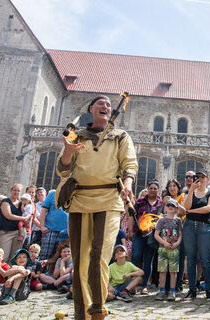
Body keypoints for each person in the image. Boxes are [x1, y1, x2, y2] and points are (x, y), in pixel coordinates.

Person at [56, 95, 138, 320]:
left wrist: (128, 183)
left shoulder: (120, 136)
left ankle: (98, 309)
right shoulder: (76, 135)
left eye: (109, 105)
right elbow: (63, 171)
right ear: (91, 109)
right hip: (79, 200)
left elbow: (129, 163)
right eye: (100, 104)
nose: (106, 106)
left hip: (109, 200)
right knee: (80, 259)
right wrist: (68, 152)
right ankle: (82, 313)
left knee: (99, 256)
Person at [182, 169, 210, 300]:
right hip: (189, 226)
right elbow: (185, 205)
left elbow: (209, 208)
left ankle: (209, 289)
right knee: (190, 259)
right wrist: (191, 190)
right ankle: (192, 289)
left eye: (203, 177)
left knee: (206, 259)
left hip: (204, 227)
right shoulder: (188, 192)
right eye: (198, 177)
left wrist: (190, 211)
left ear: (207, 179)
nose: (200, 179)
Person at [129, 179, 162, 294]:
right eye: (151, 188)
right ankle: (131, 285)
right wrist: (130, 230)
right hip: (139, 234)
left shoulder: (161, 203)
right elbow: (131, 215)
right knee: (135, 256)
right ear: (147, 189)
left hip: (152, 236)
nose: (153, 190)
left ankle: (144, 285)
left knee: (148, 260)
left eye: (155, 188)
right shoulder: (140, 201)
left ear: (158, 190)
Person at [153, 198, 182, 301]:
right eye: (168, 205)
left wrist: (177, 243)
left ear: (176, 209)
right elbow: (156, 234)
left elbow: (180, 235)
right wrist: (164, 242)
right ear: (165, 207)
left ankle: (172, 290)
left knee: (173, 272)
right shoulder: (161, 220)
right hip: (163, 249)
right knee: (162, 271)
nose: (170, 207)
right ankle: (161, 290)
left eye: (173, 206)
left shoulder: (178, 221)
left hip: (174, 249)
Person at [0, 184, 29, 262]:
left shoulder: (21, 203)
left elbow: (28, 212)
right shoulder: (5, 202)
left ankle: (10, 273)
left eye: (18, 191)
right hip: (6, 232)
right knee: (3, 257)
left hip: (18, 232)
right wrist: (22, 218)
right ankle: (1, 273)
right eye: (15, 190)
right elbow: (8, 215)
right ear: (11, 191)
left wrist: (27, 217)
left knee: (14, 257)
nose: (16, 192)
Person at [38, 189, 68, 261]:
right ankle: (40, 271)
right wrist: (42, 226)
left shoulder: (73, 195)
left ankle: (54, 272)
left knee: (63, 256)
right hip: (51, 229)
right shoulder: (52, 194)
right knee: (45, 254)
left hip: (66, 231)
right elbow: (43, 210)